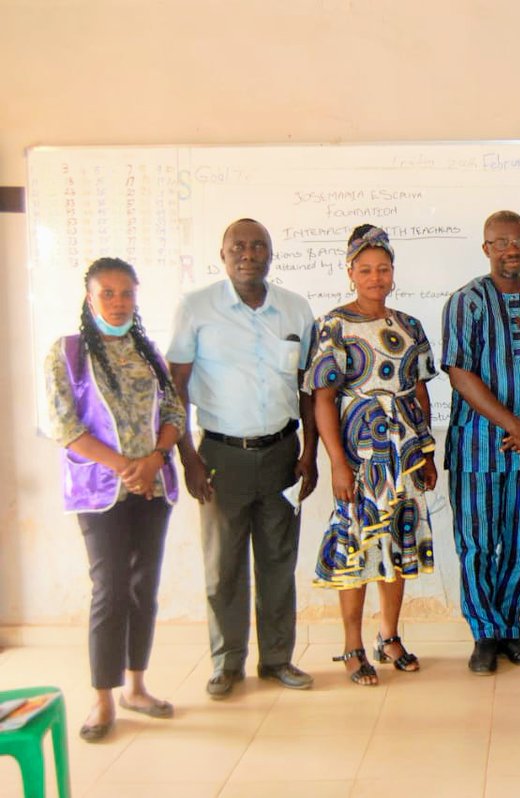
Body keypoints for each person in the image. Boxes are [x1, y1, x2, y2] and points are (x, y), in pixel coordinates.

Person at [167, 218, 319, 699]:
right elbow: (176, 387)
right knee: (223, 568)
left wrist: (310, 450)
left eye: (258, 246)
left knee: (278, 564)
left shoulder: (295, 309)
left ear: (271, 254)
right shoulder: (196, 308)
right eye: (238, 247)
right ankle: (226, 663)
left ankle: (277, 659)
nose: (248, 254)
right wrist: (188, 458)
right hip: (220, 456)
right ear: (223, 254)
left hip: (282, 454)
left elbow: (309, 387)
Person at [45, 257, 184, 741]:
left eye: (126, 293)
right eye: (108, 293)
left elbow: (174, 413)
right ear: (90, 297)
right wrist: (126, 467)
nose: (118, 302)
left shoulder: (148, 352)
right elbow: (65, 427)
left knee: (144, 587)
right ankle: (102, 699)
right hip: (99, 491)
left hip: (153, 487)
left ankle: (136, 687)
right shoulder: (67, 353)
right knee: (110, 588)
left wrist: (155, 459)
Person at [305, 224, 438, 685]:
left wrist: (426, 454)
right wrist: (337, 464)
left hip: (404, 453)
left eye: (383, 269)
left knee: (397, 542)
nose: (375, 277)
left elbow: (419, 391)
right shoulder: (333, 325)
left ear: (393, 273)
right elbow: (323, 399)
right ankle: (352, 646)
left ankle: (389, 636)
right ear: (350, 273)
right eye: (365, 270)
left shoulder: (409, 325)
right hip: (359, 456)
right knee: (356, 546)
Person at [442, 210, 520, 674]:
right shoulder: (467, 302)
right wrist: (515, 426)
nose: (511, 249)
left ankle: (509, 629)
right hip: (477, 449)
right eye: (500, 242)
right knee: (478, 545)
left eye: (518, 240)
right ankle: (483, 634)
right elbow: (459, 373)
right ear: (486, 249)